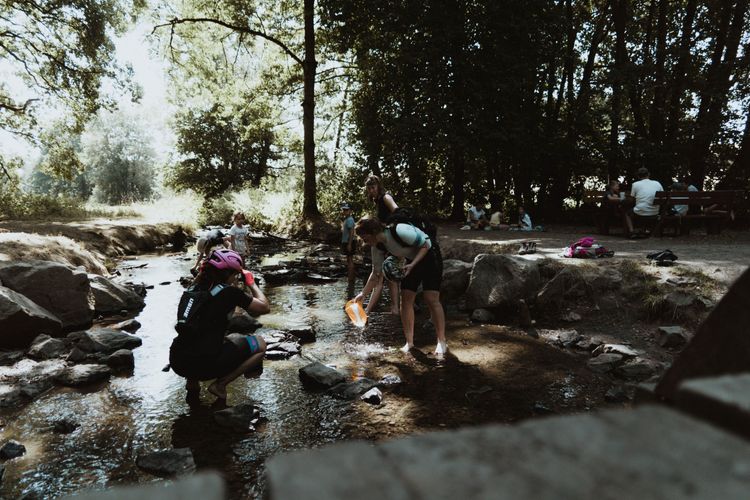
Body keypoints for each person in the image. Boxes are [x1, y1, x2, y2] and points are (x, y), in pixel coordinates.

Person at [170, 249, 270, 402]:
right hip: (206, 364)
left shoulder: (191, 290)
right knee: (260, 345)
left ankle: (192, 390)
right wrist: (251, 283)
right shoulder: (229, 292)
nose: (235, 278)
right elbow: (264, 307)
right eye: (234, 275)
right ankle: (220, 385)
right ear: (228, 274)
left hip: (177, 361)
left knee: (195, 337)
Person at [353, 217, 447, 355]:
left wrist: (413, 264)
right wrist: (363, 294)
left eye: (364, 236)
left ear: (373, 231)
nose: (363, 240)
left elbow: (426, 244)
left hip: (430, 256)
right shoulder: (377, 247)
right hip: (410, 262)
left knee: (430, 297)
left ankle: (441, 341)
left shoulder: (398, 230)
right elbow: (376, 274)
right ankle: (409, 343)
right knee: (406, 299)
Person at [364, 175, 400, 314]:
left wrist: (386, 226)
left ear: (378, 186)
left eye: (373, 188)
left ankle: (395, 307)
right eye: (369, 189)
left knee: (384, 274)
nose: (371, 191)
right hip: (382, 240)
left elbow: (398, 213)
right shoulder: (377, 200)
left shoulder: (386, 197)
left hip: (388, 239)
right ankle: (394, 307)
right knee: (385, 274)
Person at [625, 167, 663, 237]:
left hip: (640, 212)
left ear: (638, 176)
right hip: (655, 212)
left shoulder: (635, 184)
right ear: (649, 174)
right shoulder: (657, 183)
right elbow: (662, 197)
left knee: (628, 214)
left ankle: (631, 231)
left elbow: (631, 200)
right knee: (642, 207)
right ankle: (644, 230)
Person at [340, 202, 356, 272]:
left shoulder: (350, 219)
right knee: (349, 260)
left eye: (346, 210)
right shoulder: (347, 219)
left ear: (350, 211)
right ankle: (350, 280)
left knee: (350, 260)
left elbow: (352, 232)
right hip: (346, 242)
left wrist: (349, 244)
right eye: (344, 210)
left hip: (348, 242)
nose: (345, 211)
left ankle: (351, 281)